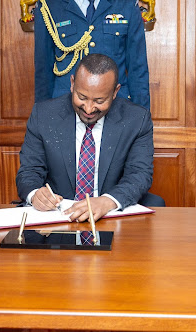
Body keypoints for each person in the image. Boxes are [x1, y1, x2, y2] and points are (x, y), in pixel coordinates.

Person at [17, 53, 163, 222]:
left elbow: (139, 175)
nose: (88, 108)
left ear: (115, 92)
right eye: (82, 97)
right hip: (58, 217)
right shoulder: (43, 115)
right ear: (72, 84)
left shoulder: (137, 119)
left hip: (111, 218)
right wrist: (36, 194)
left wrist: (107, 201)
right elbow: (29, 171)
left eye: (99, 100)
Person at [34, 0, 150, 109]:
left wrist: (142, 120)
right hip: (64, 106)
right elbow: (43, 71)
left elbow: (138, 68)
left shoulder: (127, 5)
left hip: (115, 106)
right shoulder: (50, 6)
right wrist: (42, 118)